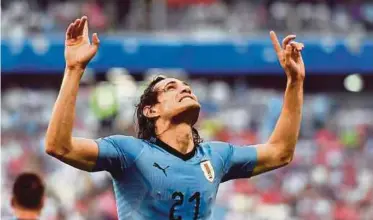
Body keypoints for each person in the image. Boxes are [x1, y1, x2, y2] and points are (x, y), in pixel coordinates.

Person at [45, 16, 305, 220]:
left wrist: (295, 81)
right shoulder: (128, 153)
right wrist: (74, 68)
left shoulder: (217, 156)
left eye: (185, 86)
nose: (185, 89)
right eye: (171, 88)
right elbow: (59, 146)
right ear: (150, 110)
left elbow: (281, 152)